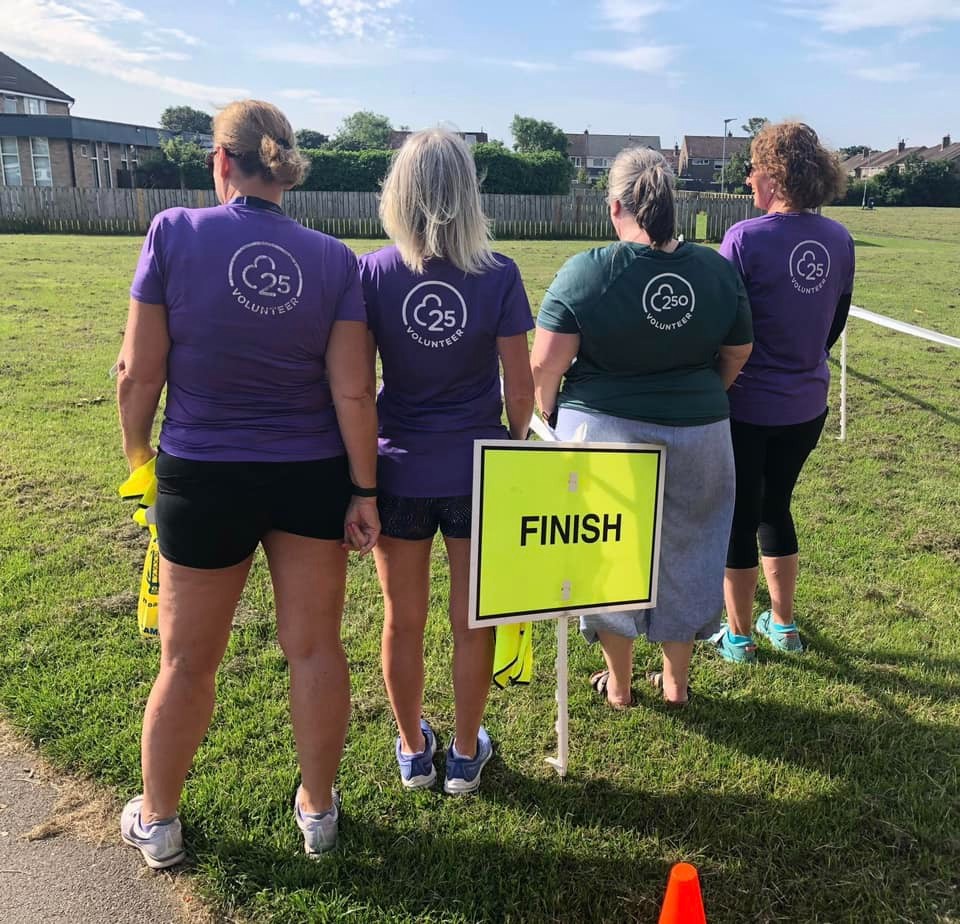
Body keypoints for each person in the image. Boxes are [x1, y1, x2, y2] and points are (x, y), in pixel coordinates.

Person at [116, 99, 379, 866]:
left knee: (187, 660)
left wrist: (139, 462)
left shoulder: (174, 231)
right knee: (315, 649)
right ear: (284, 167)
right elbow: (354, 393)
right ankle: (320, 813)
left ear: (221, 161)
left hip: (203, 476)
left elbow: (138, 372)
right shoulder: (336, 259)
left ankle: (159, 820)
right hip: (309, 476)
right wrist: (363, 491)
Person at [531, 147, 752, 708]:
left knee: (609, 554)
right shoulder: (717, 271)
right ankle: (676, 682)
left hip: (605, 434)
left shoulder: (587, 270)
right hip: (702, 434)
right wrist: (704, 398)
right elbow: (737, 352)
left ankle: (621, 686)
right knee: (692, 549)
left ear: (614, 207)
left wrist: (551, 420)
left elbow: (544, 365)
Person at [359, 129, 534, 794]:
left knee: (402, 620)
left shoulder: (372, 272)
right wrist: (516, 449)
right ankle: (463, 755)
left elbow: (354, 382)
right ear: (468, 193)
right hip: (479, 472)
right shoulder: (499, 275)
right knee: (472, 618)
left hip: (397, 468)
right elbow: (521, 392)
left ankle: (411, 750)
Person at [716, 121, 854, 663]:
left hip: (746, 404)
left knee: (740, 514)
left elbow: (724, 329)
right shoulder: (839, 239)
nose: (749, 180)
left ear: (773, 175)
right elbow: (835, 321)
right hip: (807, 405)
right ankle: (785, 625)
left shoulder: (744, 239)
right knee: (778, 505)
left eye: (753, 169)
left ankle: (739, 635)